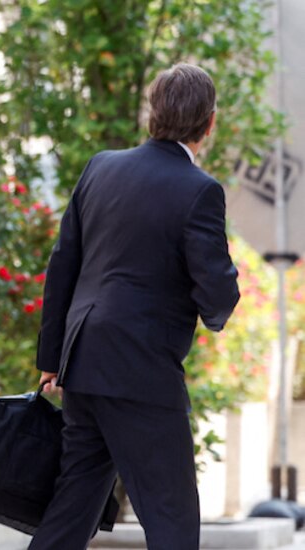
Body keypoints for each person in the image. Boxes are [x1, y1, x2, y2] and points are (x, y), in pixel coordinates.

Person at [29, 63, 240, 550]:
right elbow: (217, 290)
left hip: (82, 364)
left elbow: (63, 266)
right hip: (140, 371)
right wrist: (217, 307)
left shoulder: (101, 167)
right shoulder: (199, 190)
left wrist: (50, 359)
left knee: (73, 506)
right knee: (172, 517)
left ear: (153, 114)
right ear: (208, 124)